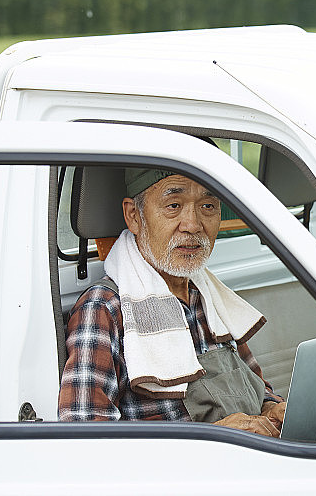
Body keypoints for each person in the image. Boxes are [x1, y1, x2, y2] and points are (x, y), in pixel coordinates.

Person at [58, 168, 286, 437]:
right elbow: (84, 438)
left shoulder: (210, 296)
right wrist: (210, 439)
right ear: (134, 216)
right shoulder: (104, 308)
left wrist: (273, 408)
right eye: (174, 205)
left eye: (208, 206)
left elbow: (256, 387)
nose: (193, 224)